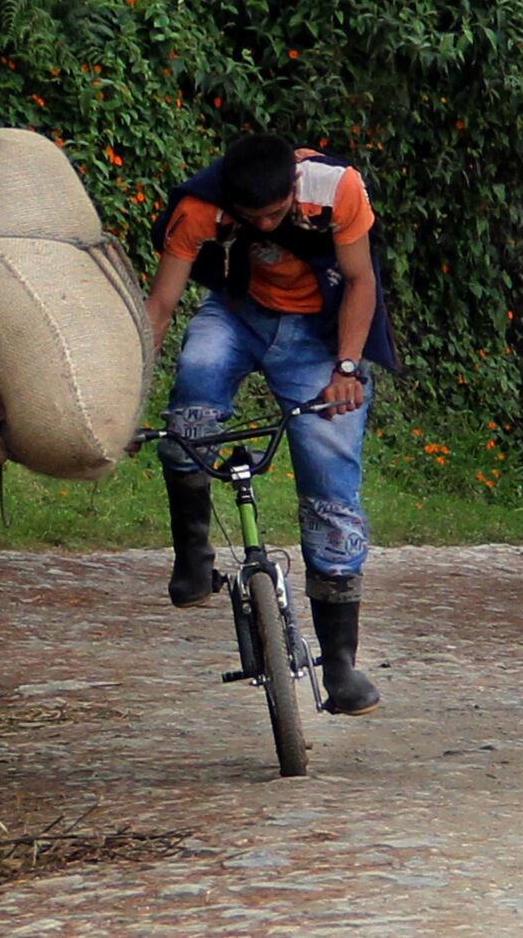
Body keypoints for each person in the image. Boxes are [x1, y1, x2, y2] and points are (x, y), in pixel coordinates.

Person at [141, 134, 400, 715]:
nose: (264, 224)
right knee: (190, 400)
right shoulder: (198, 208)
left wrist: (348, 368)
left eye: (276, 213)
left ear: (292, 189)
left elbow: (361, 281)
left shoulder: (337, 188)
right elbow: (161, 304)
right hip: (238, 316)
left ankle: (340, 666)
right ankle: (192, 560)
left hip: (319, 334)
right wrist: (129, 378)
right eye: (250, 218)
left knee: (331, 484)